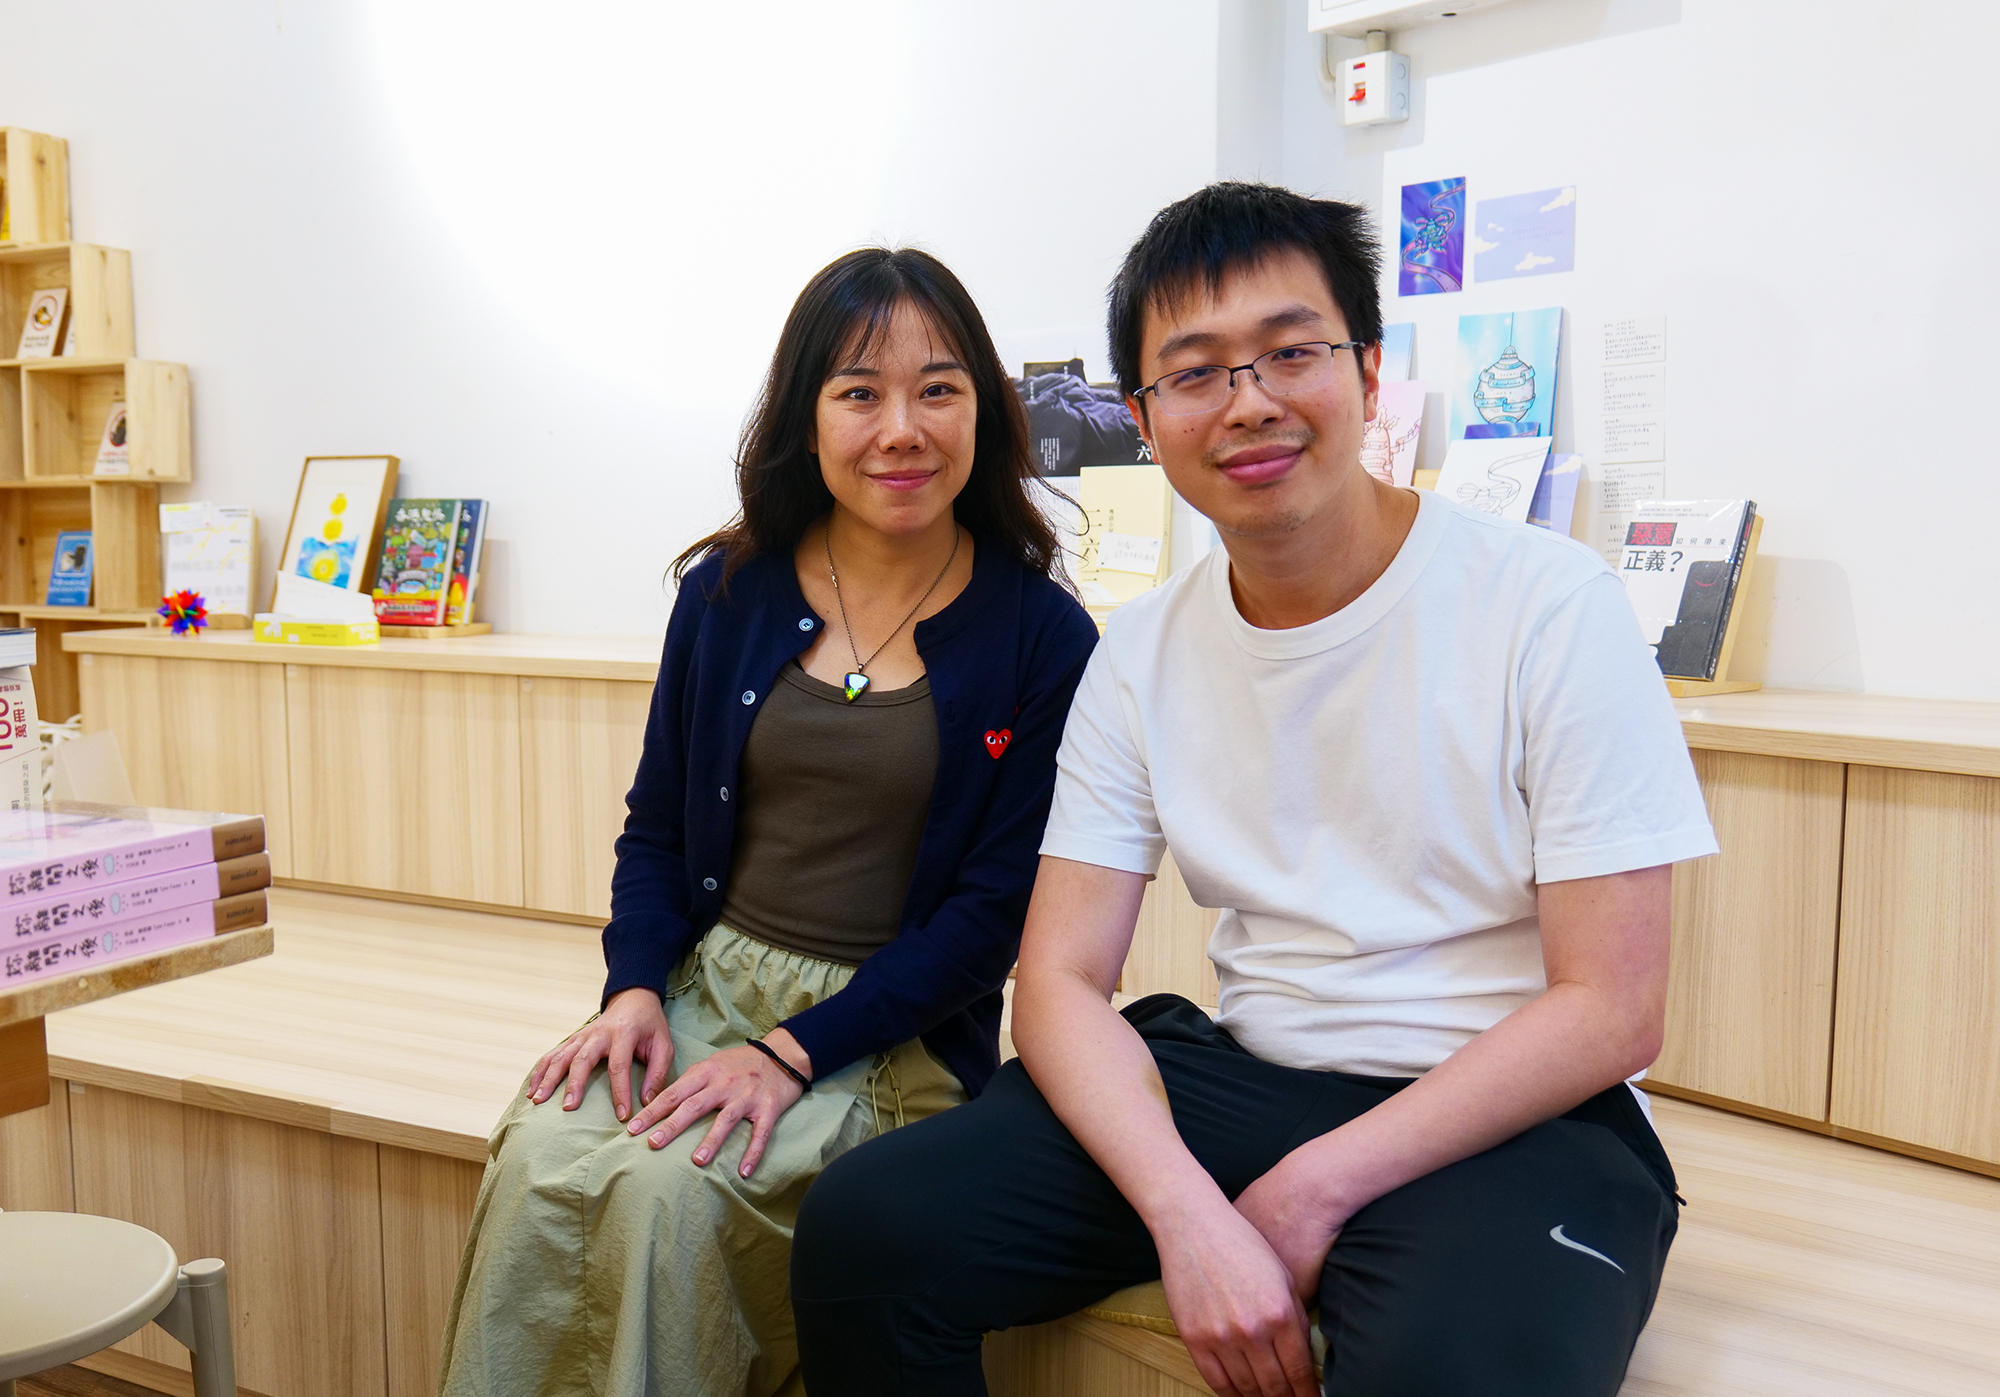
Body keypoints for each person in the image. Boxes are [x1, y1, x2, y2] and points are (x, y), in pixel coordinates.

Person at [791, 182, 1718, 1397]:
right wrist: (1186, 1209)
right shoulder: (1139, 650)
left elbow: (1610, 1007)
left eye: (1290, 351)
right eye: (1194, 372)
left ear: (1367, 370)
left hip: (1512, 1113)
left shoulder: (1548, 604)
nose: (1248, 402)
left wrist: (1310, 1186)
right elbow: (1058, 981)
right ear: (1143, 415)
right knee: (867, 1231)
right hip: (1241, 1073)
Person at [437, 247, 1098, 1397]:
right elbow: (655, 829)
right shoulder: (726, 590)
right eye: (859, 392)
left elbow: (991, 916)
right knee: (535, 1154)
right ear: (805, 415)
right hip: (702, 990)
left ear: (984, 412)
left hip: (885, 1037)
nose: (901, 428)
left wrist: (789, 1055)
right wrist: (632, 990)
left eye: (938, 389)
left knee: (670, 1194)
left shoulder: (1043, 635)